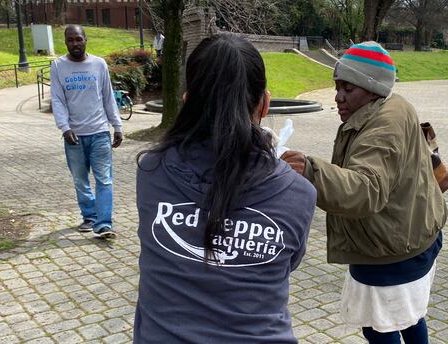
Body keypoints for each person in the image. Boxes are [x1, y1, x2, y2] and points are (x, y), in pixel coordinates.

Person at [134, 34, 316, 343]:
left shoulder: (150, 172)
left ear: (187, 101)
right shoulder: (299, 194)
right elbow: (288, 263)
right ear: (265, 104)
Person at [282, 41, 447, 344]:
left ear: (372, 88)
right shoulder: (392, 105)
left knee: (378, 326)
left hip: (391, 251)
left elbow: (365, 189)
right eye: (337, 86)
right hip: (410, 234)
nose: (338, 97)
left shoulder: (382, 127)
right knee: (409, 317)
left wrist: (309, 169)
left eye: (348, 88)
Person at [50, 25, 123, 239]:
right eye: (70, 40)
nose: (75, 43)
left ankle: (103, 224)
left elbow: (108, 97)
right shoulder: (57, 66)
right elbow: (58, 99)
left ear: (85, 39)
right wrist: (65, 127)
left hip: (100, 132)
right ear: (65, 42)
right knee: (80, 181)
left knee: (104, 179)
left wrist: (117, 126)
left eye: (78, 39)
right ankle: (90, 216)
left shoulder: (99, 65)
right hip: (74, 136)